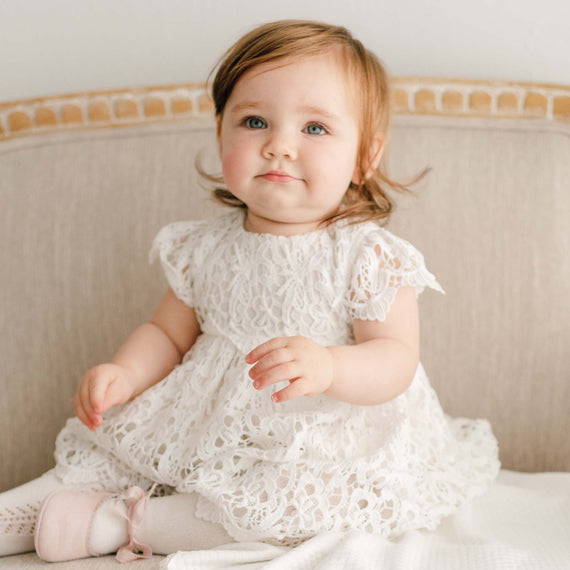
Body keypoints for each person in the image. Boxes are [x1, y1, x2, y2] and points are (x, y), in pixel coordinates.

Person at [0, 19, 499, 563]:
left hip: (315, 432)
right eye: (255, 121)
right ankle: (33, 506)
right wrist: (125, 373)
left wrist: (331, 367)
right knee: (112, 451)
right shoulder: (203, 246)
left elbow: (396, 359)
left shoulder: (366, 254)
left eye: (314, 129)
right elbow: (166, 333)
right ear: (221, 136)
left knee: (296, 507)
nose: (279, 146)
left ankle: (126, 522)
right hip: (203, 420)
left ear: (364, 158)